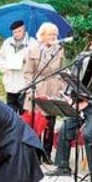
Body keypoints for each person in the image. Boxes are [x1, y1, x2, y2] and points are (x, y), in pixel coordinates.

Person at [47, 34, 92, 182]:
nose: (91, 46)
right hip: (83, 100)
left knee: (87, 132)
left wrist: (85, 104)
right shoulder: (87, 58)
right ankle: (62, 166)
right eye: (91, 44)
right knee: (65, 128)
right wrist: (71, 97)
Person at [23, 22, 66, 165]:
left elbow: (62, 71)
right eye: (51, 34)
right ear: (42, 35)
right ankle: (35, 153)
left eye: (55, 34)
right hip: (37, 89)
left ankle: (47, 154)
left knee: (50, 122)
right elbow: (28, 73)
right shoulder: (33, 50)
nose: (54, 37)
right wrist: (31, 90)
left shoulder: (60, 50)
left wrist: (62, 90)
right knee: (36, 123)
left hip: (53, 89)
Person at [0, 20, 32, 116]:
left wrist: (25, 61)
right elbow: (0, 58)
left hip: (24, 85)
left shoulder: (32, 43)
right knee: (10, 113)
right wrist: (6, 68)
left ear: (24, 29)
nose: (17, 34)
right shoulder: (7, 42)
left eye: (19, 31)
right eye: (15, 32)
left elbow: (35, 63)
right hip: (10, 84)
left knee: (24, 115)